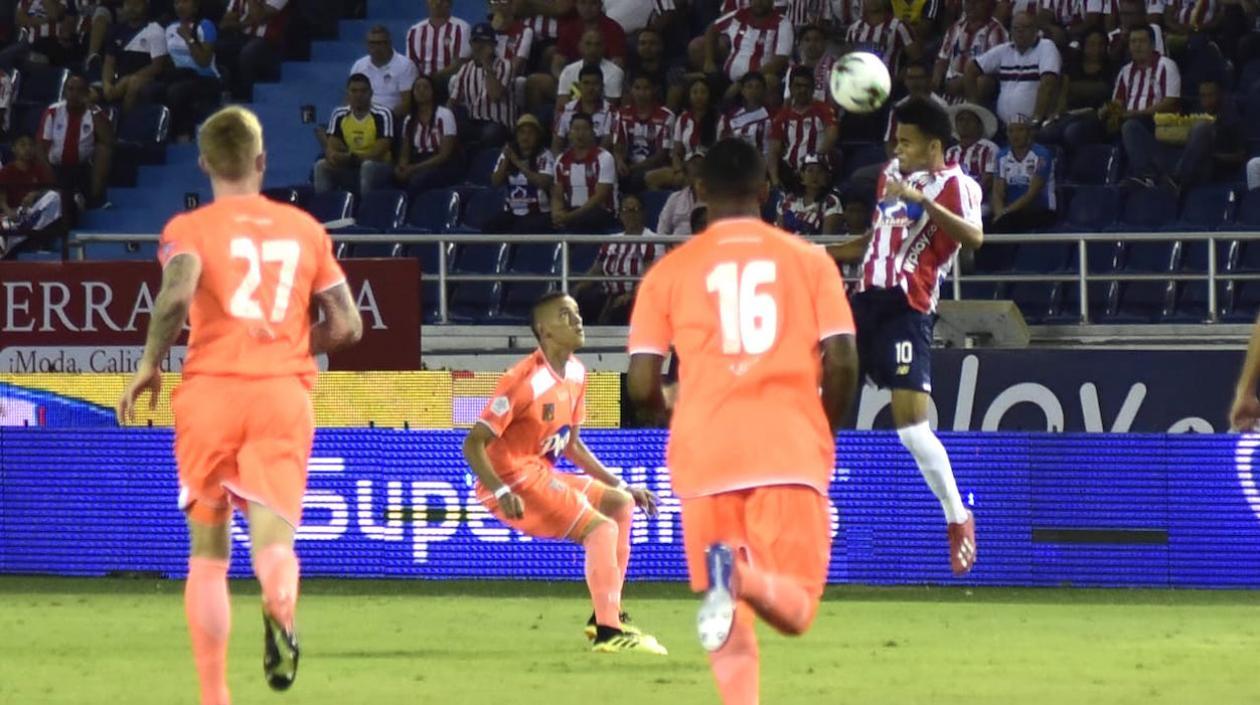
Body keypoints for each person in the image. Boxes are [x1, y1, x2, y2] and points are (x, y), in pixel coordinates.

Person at [115, 105, 364, 705]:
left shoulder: (190, 229)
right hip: (282, 394)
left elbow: (175, 296)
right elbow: (348, 325)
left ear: (204, 162)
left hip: (211, 393)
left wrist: (150, 362)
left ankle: (214, 695)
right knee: (275, 543)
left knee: (208, 552)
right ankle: (280, 606)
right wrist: (299, 344)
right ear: (261, 160)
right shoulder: (306, 229)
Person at [625, 137, 860, 705]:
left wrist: (674, 415)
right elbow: (845, 361)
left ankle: (731, 588)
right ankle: (743, 577)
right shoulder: (810, 261)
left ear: (700, 192)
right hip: (788, 446)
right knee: (797, 607)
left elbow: (639, 385)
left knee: (728, 624)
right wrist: (819, 427)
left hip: (705, 452)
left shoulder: (668, 272)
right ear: (765, 189)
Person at [827, 96, 981, 577]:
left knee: (912, 430)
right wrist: (816, 254)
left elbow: (973, 238)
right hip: (864, 302)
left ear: (934, 146)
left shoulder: (958, 184)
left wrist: (924, 202)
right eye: (897, 140)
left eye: (907, 142)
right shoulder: (890, 178)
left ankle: (958, 518)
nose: (899, 148)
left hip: (907, 308)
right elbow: (874, 242)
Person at [464, 291, 666, 654]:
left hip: (539, 470)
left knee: (620, 504)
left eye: (576, 312)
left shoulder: (576, 372)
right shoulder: (521, 380)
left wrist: (623, 483)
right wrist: (498, 490)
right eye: (565, 315)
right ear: (545, 330)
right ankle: (609, 633)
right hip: (513, 479)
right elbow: (473, 443)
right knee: (600, 529)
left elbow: (572, 445)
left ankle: (606, 615)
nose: (578, 320)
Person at [573, 192, 662, 323]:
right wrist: (578, 288)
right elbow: (597, 270)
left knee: (622, 307)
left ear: (643, 213)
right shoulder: (611, 240)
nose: (630, 215)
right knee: (581, 298)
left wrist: (630, 295)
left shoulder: (654, 241)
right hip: (608, 293)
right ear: (620, 214)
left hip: (636, 295)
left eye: (635, 210)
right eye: (626, 210)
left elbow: (649, 277)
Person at [964, 12, 1061, 128]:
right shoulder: (1004, 50)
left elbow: (1048, 84)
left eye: (1025, 27)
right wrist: (975, 106)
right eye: (1016, 28)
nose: (1020, 32)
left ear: (1036, 30)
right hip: (1004, 125)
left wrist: (1036, 119)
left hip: (1032, 126)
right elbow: (971, 68)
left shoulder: (1046, 46)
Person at [38, 73, 114, 210]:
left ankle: (94, 198)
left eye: (79, 90)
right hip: (56, 167)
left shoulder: (94, 112)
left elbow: (108, 140)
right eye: (70, 89)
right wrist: (49, 177)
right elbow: (41, 147)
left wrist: (91, 107)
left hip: (82, 167)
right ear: (64, 91)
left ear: (86, 93)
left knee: (104, 150)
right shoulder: (53, 111)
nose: (74, 94)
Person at [314, 73, 395, 195]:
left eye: (363, 91)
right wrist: (334, 156)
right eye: (354, 91)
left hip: (379, 165)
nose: (358, 95)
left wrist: (350, 158)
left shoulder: (383, 114)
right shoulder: (339, 114)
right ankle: (325, 209)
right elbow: (332, 147)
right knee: (321, 166)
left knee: (367, 167)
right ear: (347, 94)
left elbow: (378, 152)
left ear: (371, 93)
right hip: (350, 162)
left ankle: (366, 210)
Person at [768, 66, 839, 192]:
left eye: (806, 86)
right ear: (790, 88)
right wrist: (775, 180)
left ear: (813, 89)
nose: (802, 90)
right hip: (790, 174)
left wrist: (811, 160)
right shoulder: (782, 116)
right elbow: (774, 150)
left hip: (818, 170)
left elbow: (832, 135)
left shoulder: (823, 110)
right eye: (798, 86)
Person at [162, 0, 223, 142]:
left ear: (195, 6)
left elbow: (204, 61)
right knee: (151, 90)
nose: (180, 6)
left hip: (207, 79)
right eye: (176, 2)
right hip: (180, 76)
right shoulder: (170, 28)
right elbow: (169, 60)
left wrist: (188, 37)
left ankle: (183, 135)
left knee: (177, 91)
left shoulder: (206, 26)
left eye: (185, 2)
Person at [449, 22, 516, 150]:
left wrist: (486, 64)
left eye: (484, 42)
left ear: (493, 45)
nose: (479, 46)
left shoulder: (504, 65)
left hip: (498, 123)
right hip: (473, 122)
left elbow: (495, 95)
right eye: (475, 41)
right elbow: (453, 101)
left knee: (490, 133)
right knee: (451, 128)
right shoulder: (465, 69)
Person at [485, 113, 556, 234]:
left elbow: (544, 182)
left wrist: (518, 164)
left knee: (522, 228)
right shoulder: (508, 154)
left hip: (539, 213)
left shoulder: (545, 155)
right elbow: (495, 182)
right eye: (522, 132)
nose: (525, 137)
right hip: (513, 212)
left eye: (530, 133)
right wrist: (506, 161)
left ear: (538, 136)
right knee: (489, 227)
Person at [395, 74, 462, 195]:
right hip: (417, 161)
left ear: (433, 91)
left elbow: (444, 155)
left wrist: (414, 169)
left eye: (425, 87)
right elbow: (404, 153)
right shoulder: (409, 120)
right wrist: (402, 168)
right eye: (417, 88)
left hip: (440, 165)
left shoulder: (445, 115)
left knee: (417, 181)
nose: (421, 91)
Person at [552, 111, 619, 233]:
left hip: (600, 213)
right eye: (576, 129)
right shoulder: (561, 160)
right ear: (569, 133)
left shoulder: (604, 157)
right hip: (571, 211)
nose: (580, 134)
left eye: (584, 129)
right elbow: (558, 194)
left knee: (587, 219)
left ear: (592, 132)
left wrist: (570, 217)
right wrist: (557, 213)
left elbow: (600, 197)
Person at [0, 134, 65, 258]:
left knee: (55, 197)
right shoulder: (6, 171)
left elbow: (52, 192)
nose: (27, 148)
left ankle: (23, 236)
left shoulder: (39, 169)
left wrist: (35, 194)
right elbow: (1, 200)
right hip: (12, 216)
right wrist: (9, 212)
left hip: (33, 214)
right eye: (23, 145)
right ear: (14, 148)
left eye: (30, 145)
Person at [101, 0, 171, 112]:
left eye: (136, 4)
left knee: (134, 84)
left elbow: (157, 66)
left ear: (145, 5)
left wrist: (126, 80)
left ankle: (125, 124)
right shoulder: (116, 30)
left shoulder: (155, 30)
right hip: (118, 79)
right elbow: (109, 62)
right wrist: (106, 84)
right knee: (88, 94)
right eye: (128, 4)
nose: (131, 8)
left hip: (145, 78)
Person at [990, 114, 1057, 232]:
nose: (1015, 135)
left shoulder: (1042, 155)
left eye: (1020, 130)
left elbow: (1032, 194)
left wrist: (1005, 213)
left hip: (1040, 210)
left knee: (1004, 224)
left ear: (1030, 132)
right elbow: (997, 192)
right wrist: (999, 213)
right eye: (1011, 131)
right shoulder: (1002, 156)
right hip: (1011, 213)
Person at [933, 0, 1008, 105]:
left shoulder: (997, 31)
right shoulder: (954, 28)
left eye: (976, 2)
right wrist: (938, 82)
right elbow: (942, 59)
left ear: (989, 4)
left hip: (975, 90)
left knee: (984, 82)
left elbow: (990, 75)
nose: (971, 5)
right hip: (948, 88)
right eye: (968, 2)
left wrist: (958, 84)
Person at [612, 74, 675, 193]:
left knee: (636, 179)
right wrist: (619, 162)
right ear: (631, 90)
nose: (641, 93)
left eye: (646, 88)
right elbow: (617, 146)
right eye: (637, 88)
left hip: (654, 166)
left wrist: (632, 169)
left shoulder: (666, 116)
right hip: (628, 164)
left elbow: (662, 154)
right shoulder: (622, 113)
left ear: (654, 90)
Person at [350, 24, 419, 121]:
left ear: (389, 43)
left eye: (380, 43)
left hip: (393, 119)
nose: (375, 47)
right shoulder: (359, 65)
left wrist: (383, 119)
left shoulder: (405, 65)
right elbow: (350, 97)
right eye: (372, 43)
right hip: (363, 118)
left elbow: (408, 103)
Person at [406, 0, 471, 92]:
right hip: (422, 85)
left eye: (442, 0)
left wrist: (432, 79)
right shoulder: (414, 31)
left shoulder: (462, 28)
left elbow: (460, 64)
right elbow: (411, 64)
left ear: (450, 3)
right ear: (427, 2)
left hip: (450, 83)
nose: (437, 3)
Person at [552, 64, 616, 152]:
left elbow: (606, 144)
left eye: (595, 84)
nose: (590, 88)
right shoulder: (565, 110)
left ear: (602, 86)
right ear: (579, 86)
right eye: (586, 83)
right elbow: (556, 145)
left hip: (598, 161)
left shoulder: (611, 111)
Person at [777, 153, 843, 235]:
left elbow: (827, 239)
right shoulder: (788, 200)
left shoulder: (831, 202)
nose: (815, 176)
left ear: (827, 176)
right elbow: (779, 233)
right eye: (810, 170)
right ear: (802, 175)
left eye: (820, 171)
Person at [555, 28, 625, 104]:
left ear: (604, 47)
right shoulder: (568, 71)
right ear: (580, 46)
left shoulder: (615, 72)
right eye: (588, 44)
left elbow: (610, 106)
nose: (593, 49)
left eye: (597, 44)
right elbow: (562, 103)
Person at [944, 102, 999, 199]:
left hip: (981, 202)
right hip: (954, 200)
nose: (964, 123)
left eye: (970, 120)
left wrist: (967, 198)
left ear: (979, 125)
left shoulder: (989, 148)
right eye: (960, 120)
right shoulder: (951, 152)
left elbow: (988, 180)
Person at [718, 71, 772, 157]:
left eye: (757, 87)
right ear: (742, 91)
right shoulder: (730, 115)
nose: (753, 91)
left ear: (764, 90)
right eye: (749, 87)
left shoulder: (772, 114)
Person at [656, 148, 705, 235]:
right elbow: (662, 229)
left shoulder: (716, 199)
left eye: (701, 164)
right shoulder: (675, 198)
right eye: (694, 164)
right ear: (687, 168)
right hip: (679, 246)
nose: (698, 169)